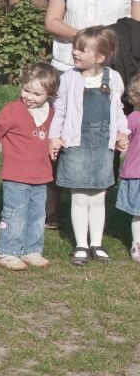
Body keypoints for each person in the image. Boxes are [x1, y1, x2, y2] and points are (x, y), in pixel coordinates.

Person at [44, 0, 140, 229]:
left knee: (104, 139)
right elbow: (52, 21)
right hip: (66, 69)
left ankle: (97, 208)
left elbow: (136, 28)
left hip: (110, 75)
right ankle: (51, 208)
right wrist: (87, 43)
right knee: (60, 135)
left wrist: (102, 52)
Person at [49, 26, 129, 265]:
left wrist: (121, 132)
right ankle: (81, 245)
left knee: (98, 196)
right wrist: (54, 137)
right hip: (76, 144)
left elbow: (117, 110)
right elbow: (60, 111)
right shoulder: (68, 78)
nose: (75, 53)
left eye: (82, 50)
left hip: (103, 147)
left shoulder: (113, 78)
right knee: (80, 196)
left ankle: (97, 243)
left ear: (100, 57)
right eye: (75, 48)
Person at [0, 63, 59, 271]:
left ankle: (31, 249)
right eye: (26, 90)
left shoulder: (52, 114)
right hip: (16, 174)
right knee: (15, 213)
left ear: (49, 94)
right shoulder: (13, 109)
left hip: (41, 175)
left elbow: (56, 135)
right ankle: (6, 252)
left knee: (37, 215)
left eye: (37, 94)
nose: (29, 96)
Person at [117, 72, 140, 263]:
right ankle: (137, 244)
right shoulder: (134, 117)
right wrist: (121, 141)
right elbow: (123, 136)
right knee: (138, 213)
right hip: (137, 172)